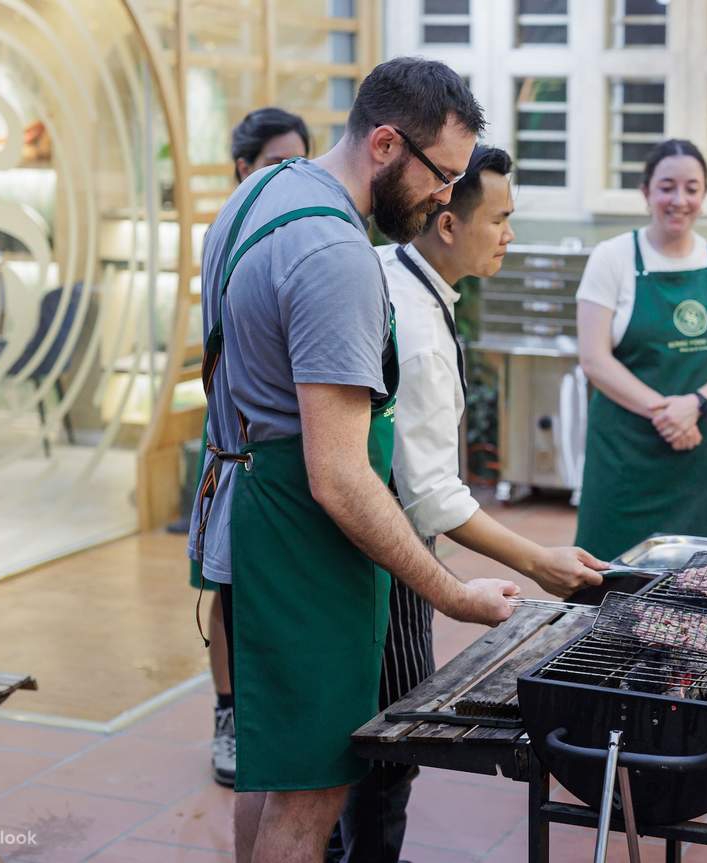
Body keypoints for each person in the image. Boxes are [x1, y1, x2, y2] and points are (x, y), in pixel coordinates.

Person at [185, 56, 518, 863]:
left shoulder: (263, 191)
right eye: (441, 174)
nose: (448, 195)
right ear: (382, 145)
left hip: (247, 508)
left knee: (268, 769)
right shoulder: (336, 257)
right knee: (311, 794)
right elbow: (339, 476)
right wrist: (453, 595)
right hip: (304, 543)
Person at [333, 145, 606, 861]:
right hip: (381, 555)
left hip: (354, 539)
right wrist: (537, 559)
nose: (510, 235)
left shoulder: (397, 273)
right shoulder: (418, 327)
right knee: (386, 747)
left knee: (347, 743)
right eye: (501, 219)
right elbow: (429, 496)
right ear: (447, 223)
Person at [189, 106, 311, 790]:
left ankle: (260, 712)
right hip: (233, 444)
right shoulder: (232, 230)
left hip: (263, 446)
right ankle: (229, 713)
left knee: (250, 587)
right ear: (242, 168)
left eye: (297, 162)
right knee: (225, 583)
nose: (285, 177)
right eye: (273, 164)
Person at [574, 139, 707, 561]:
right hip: (629, 453)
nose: (679, 199)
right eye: (667, 187)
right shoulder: (612, 258)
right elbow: (594, 359)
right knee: (613, 577)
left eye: (692, 188)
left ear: (704, 195)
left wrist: (695, 405)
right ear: (646, 192)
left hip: (706, 451)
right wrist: (667, 412)